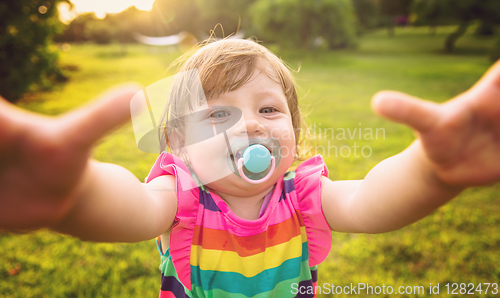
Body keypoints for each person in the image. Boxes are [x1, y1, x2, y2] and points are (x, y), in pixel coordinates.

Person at [0, 39, 499, 298]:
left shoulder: (303, 196)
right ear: (177, 143)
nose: (249, 127)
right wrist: (75, 195)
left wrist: (434, 172)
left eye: (268, 110)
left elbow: (371, 200)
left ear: (294, 133)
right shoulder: (180, 198)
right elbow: (130, 206)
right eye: (217, 114)